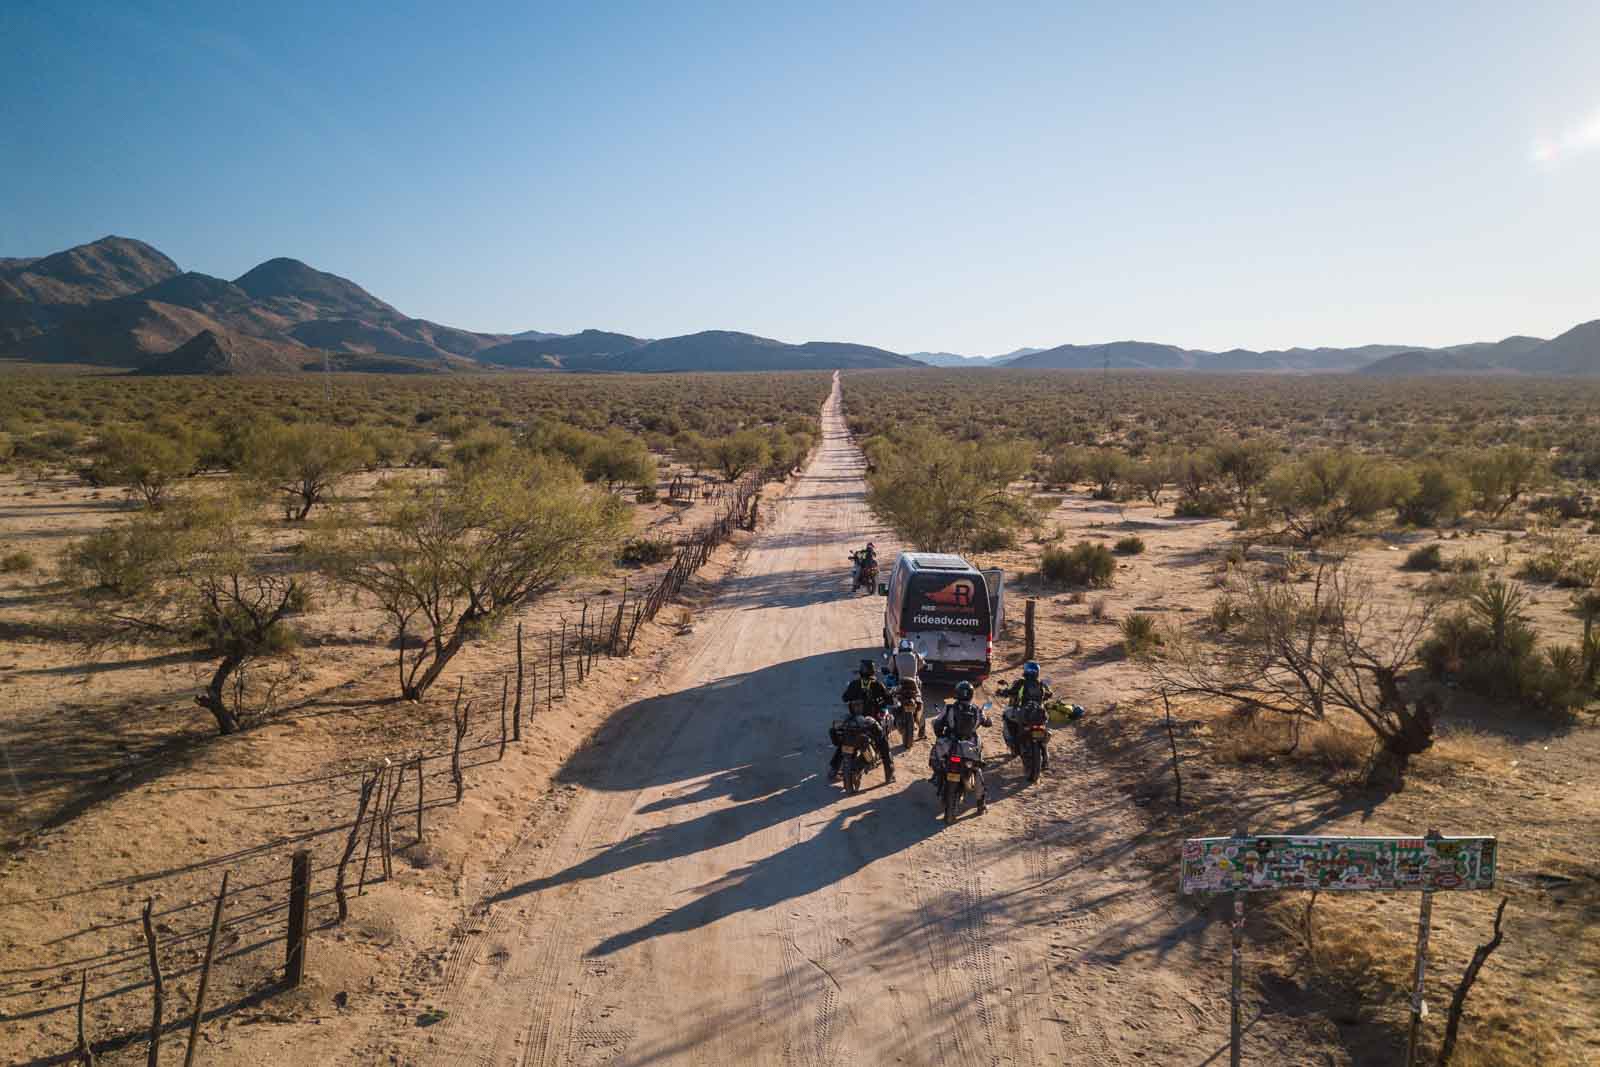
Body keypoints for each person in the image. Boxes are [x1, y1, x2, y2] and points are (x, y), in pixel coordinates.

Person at [831, 660, 894, 782]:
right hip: (870, 722)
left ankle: (833, 770)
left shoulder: (854, 684)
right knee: (883, 743)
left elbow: (844, 698)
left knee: (844, 742)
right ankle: (889, 773)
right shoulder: (878, 685)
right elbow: (890, 700)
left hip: (854, 721)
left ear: (861, 671)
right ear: (872, 671)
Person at [928, 680, 990, 784]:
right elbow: (988, 722)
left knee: (936, 753)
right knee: (978, 756)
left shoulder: (949, 708)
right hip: (969, 743)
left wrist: (939, 734)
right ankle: (979, 794)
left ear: (956, 693)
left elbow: (938, 723)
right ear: (971, 694)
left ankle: (936, 776)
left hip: (951, 740)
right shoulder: (976, 709)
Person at [1000, 661, 1053, 755]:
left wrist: (1002, 692)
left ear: (1025, 671)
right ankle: (1045, 758)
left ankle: (1012, 743)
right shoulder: (1041, 684)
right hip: (1039, 714)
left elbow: (1011, 691)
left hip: (1024, 713)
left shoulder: (1021, 682)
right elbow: (1050, 694)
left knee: (1006, 716)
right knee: (1044, 729)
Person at [890, 638, 926, 739]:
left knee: (893, 698)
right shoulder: (916, 656)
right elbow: (922, 665)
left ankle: (892, 723)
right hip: (913, 685)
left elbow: (890, 668)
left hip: (900, 685)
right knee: (919, 701)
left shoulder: (895, 656)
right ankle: (921, 727)